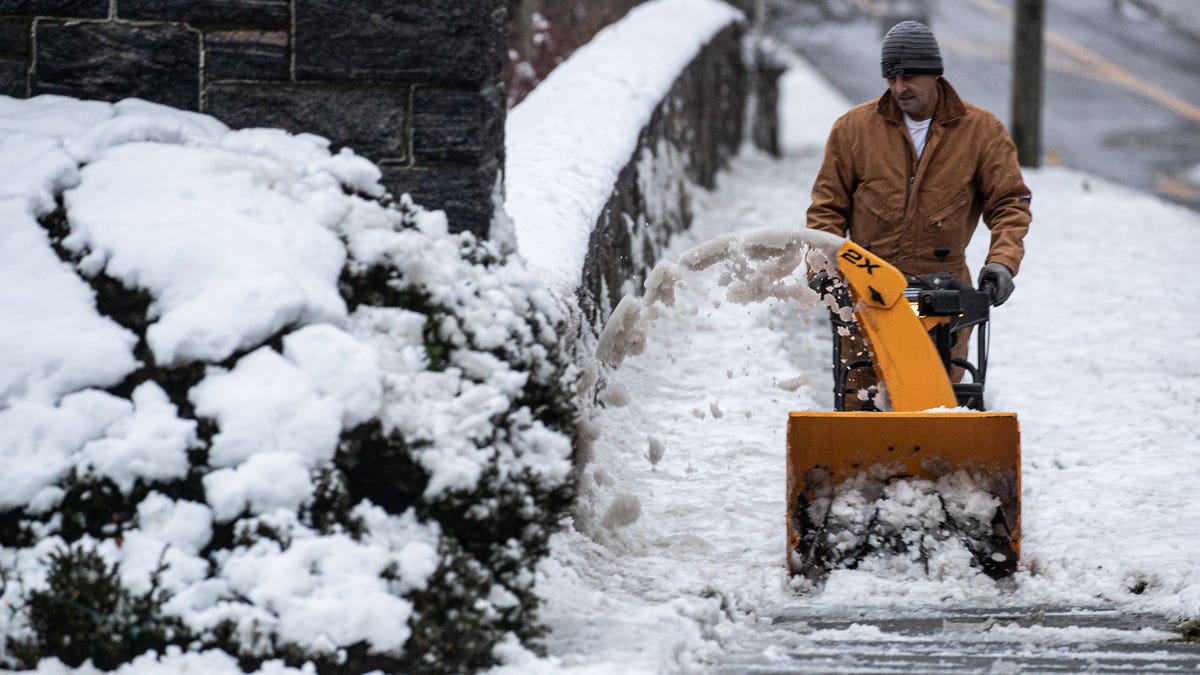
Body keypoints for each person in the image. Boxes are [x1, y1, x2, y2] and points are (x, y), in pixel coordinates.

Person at [806, 20, 1031, 409]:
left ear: (935, 74)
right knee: (861, 397)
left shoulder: (982, 133)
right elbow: (827, 208)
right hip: (866, 289)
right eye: (891, 77)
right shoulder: (853, 130)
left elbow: (1010, 203)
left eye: (909, 76)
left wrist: (1003, 263)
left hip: (943, 294)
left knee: (934, 400)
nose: (899, 88)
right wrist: (823, 269)